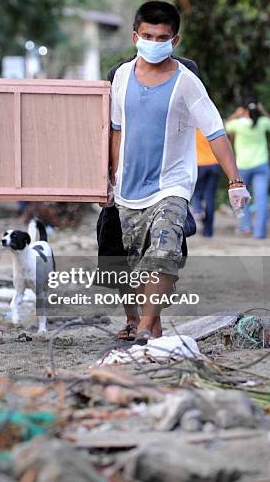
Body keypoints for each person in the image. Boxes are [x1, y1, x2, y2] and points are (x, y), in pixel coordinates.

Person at [109, 1, 249, 344]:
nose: (154, 43)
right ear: (134, 36)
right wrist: (110, 176)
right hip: (128, 188)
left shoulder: (187, 83)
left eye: (162, 37)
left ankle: (144, 327)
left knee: (164, 248)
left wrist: (235, 180)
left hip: (172, 185)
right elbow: (115, 129)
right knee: (135, 262)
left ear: (175, 40)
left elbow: (215, 131)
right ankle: (152, 326)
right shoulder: (122, 77)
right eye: (147, 35)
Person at [99, 53, 200, 341]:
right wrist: (102, 180)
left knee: (160, 253)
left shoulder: (185, 72)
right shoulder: (119, 73)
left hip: (164, 187)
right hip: (123, 189)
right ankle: (134, 319)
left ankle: (149, 322)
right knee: (118, 257)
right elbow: (107, 132)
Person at [225, 97, 270, 238]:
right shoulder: (263, 122)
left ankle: (246, 227)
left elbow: (225, 126)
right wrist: (262, 110)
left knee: (241, 198)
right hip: (261, 165)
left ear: (244, 109)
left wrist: (236, 113)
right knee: (262, 199)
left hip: (243, 166)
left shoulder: (238, 124)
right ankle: (259, 232)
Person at [192, 129, 221, 237]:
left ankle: (198, 209)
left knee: (196, 192)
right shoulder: (212, 128)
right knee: (210, 197)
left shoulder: (193, 129)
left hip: (199, 164)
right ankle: (208, 231)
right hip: (214, 164)